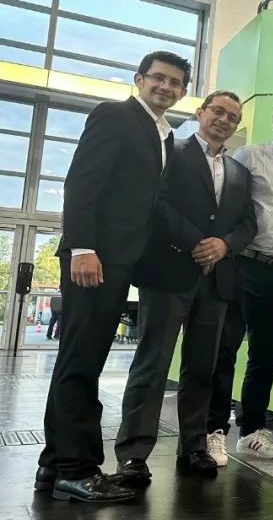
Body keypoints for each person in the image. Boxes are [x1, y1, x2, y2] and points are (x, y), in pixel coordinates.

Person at [37, 51, 188, 503]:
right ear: (139, 78)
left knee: (80, 361)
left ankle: (54, 465)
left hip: (121, 260)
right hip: (95, 259)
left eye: (175, 82)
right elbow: (82, 182)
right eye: (158, 77)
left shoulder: (164, 134)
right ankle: (76, 469)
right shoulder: (115, 115)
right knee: (81, 364)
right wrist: (82, 247)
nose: (165, 86)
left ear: (183, 91)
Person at [113, 90, 256, 485]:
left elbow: (248, 223)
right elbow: (155, 203)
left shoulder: (240, 172)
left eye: (232, 116)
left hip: (216, 281)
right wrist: (197, 241)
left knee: (202, 369)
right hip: (169, 273)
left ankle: (193, 446)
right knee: (153, 364)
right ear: (200, 112)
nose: (224, 120)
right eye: (218, 111)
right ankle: (133, 454)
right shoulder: (171, 152)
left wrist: (224, 245)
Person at [205, 94, 273, 466]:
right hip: (243, 265)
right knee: (225, 349)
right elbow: (225, 204)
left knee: (266, 356)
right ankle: (214, 430)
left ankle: (251, 431)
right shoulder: (250, 156)